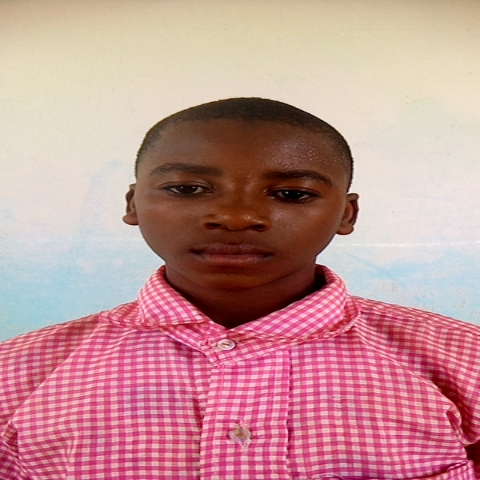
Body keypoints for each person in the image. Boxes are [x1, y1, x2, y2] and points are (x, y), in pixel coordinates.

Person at [0, 97, 479, 480]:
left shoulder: (464, 360)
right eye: (187, 188)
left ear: (346, 214)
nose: (235, 217)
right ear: (133, 204)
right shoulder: (17, 373)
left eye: (291, 194)